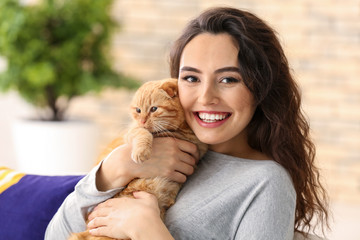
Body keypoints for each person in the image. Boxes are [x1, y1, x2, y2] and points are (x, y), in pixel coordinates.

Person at [45, 7, 329, 240]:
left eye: (229, 79)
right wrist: (118, 166)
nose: (205, 98)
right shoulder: (154, 150)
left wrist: (148, 231)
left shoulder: (266, 182)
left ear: (262, 88)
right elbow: (55, 236)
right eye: (191, 78)